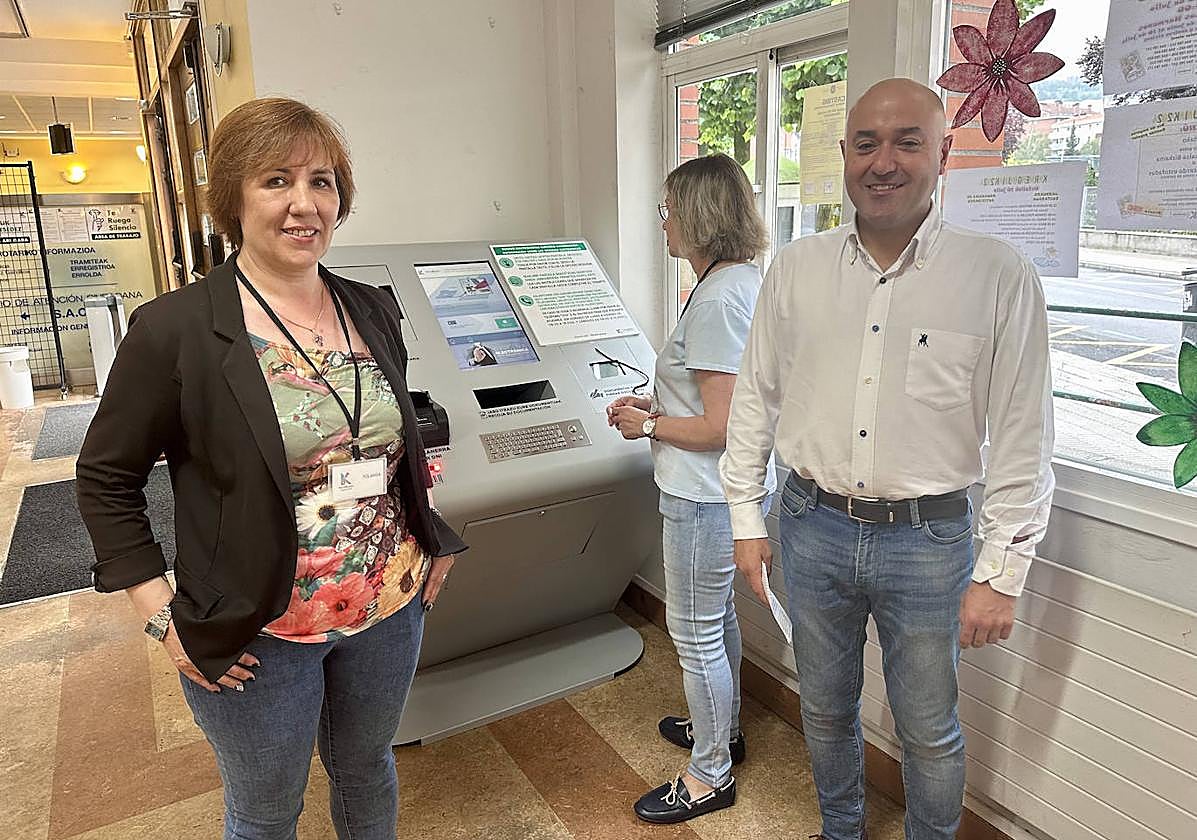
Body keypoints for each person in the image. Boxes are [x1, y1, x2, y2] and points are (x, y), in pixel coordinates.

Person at [76, 97, 467, 840]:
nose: (303, 204)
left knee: (367, 770)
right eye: (275, 180)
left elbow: (385, 446)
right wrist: (160, 617)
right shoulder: (176, 330)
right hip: (259, 628)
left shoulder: (369, 307)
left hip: (387, 604)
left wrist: (433, 535)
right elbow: (104, 479)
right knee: (264, 811)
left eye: (321, 181)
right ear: (232, 198)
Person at [719, 78, 1054, 840]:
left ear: (943, 152)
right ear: (844, 154)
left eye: (907, 141)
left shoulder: (996, 275)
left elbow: (1023, 436)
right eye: (865, 143)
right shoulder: (796, 269)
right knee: (825, 708)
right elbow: (754, 399)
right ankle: (841, 830)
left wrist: (1001, 573)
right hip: (809, 525)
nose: (883, 162)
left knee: (928, 730)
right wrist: (744, 512)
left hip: (930, 542)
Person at [607, 153, 776, 825]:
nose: (664, 224)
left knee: (695, 631)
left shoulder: (716, 298)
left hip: (705, 493)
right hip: (720, 492)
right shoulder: (741, 283)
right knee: (716, 621)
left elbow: (719, 426)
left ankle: (709, 774)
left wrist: (645, 422)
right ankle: (723, 730)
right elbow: (716, 393)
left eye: (668, 211)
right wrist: (657, 398)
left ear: (700, 217)